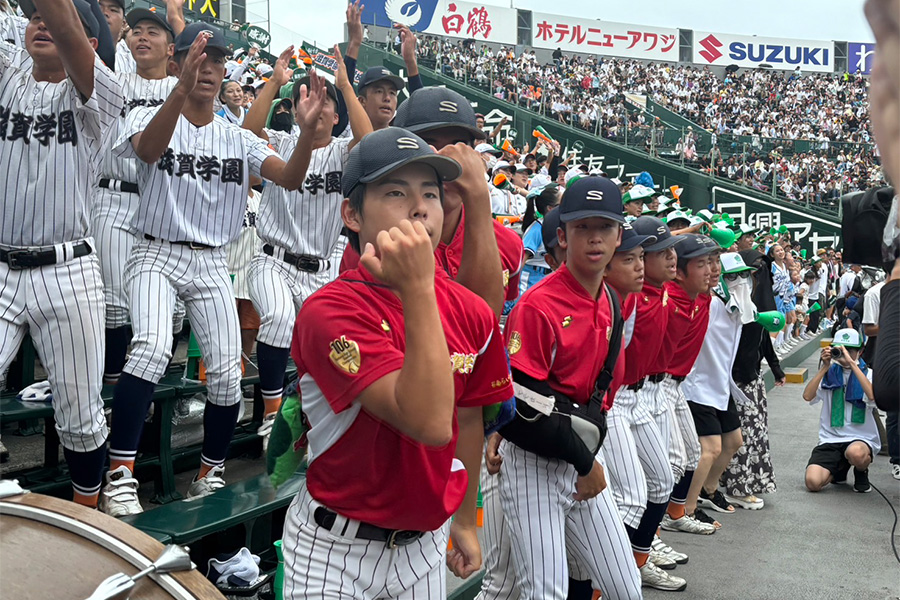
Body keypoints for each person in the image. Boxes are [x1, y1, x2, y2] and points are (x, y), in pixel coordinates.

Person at [101, 25, 327, 516]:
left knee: (226, 371)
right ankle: (120, 474)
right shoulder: (147, 111)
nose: (206, 68)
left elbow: (288, 177)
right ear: (179, 64)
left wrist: (307, 135)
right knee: (152, 346)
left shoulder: (235, 136)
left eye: (215, 61)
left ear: (224, 70)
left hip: (210, 261)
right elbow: (145, 151)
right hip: (154, 251)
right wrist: (178, 91)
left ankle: (210, 471)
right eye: (196, 58)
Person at [282, 127, 514, 597]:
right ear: (352, 213)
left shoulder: (470, 310)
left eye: (431, 192)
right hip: (334, 547)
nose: (420, 207)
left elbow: (467, 420)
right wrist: (421, 287)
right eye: (395, 192)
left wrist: (465, 521)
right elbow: (427, 422)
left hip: (423, 548)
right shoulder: (330, 308)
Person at [0, 0, 123, 509]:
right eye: (32, 18)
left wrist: (61, 14)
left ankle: (87, 519)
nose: (41, 24)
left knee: (79, 415)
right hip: (3, 268)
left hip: (68, 272)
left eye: (50, 19)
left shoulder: (101, 91)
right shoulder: (7, 77)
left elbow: (69, 27)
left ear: (90, 46)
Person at [496, 177, 642, 599]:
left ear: (618, 236)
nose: (594, 238)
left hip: (578, 455)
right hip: (533, 463)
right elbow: (520, 412)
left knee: (626, 587)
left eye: (605, 227)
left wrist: (585, 459)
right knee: (546, 593)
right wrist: (585, 462)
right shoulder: (538, 305)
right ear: (562, 235)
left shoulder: (610, 299)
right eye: (582, 227)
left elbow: (601, 398)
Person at [241, 45, 371, 446]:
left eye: (324, 100)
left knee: (332, 343)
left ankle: (311, 415)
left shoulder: (340, 153)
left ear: (336, 116)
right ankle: (270, 413)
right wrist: (276, 83)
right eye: (305, 96)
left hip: (320, 269)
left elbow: (371, 140)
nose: (314, 103)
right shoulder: (280, 142)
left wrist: (345, 86)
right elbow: (244, 136)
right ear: (296, 111)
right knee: (278, 319)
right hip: (273, 260)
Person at [92, 6, 182, 387]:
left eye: (154, 32)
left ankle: (149, 394)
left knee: (172, 310)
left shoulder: (182, 92)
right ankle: (114, 388)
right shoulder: (113, 81)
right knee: (115, 302)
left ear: (170, 49)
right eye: (138, 30)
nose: (143, 36)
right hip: (113, 197)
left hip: (162, 203)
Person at [603, 223, 688, 592]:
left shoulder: (662, 291)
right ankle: (611, 570)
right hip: (617, 397)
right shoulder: (629, 296)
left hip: (645, 393)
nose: (671, 258)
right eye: (660, 253)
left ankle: (635, 560)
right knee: (633, 496)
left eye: (672, 251)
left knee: (662, 479)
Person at [682, 251, 758, 524]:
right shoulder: (709, 303)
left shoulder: (737, 305)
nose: (741, 281)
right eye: (733, 276)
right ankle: (686, 509)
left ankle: (709, 489)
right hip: (698, 385)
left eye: (744, 275)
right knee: (710, 448)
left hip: (721, 385)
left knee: (734, 441)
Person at [659, 234, 720, 534]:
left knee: (691, 456)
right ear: (678, 272)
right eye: (701, 264)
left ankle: (676, 513)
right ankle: (649, 535)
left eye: (711, 262)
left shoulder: (702, 295)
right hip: (653, 384)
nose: (710, 270)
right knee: (667, 465)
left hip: (675, 386)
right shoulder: (667, 297)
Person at [803, 329, 877, 494]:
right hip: (831, 438)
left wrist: (852, 363)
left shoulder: (868, 374)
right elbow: (808, 396)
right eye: (840, 349)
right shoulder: (830, 373)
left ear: (860, 351)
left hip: (860, 438)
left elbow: (872, 396)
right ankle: (840, 469)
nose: (844, 354)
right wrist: (824, 367)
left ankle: (861, 471)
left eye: (850, 350)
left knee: (855, 453)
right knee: (812, 482)